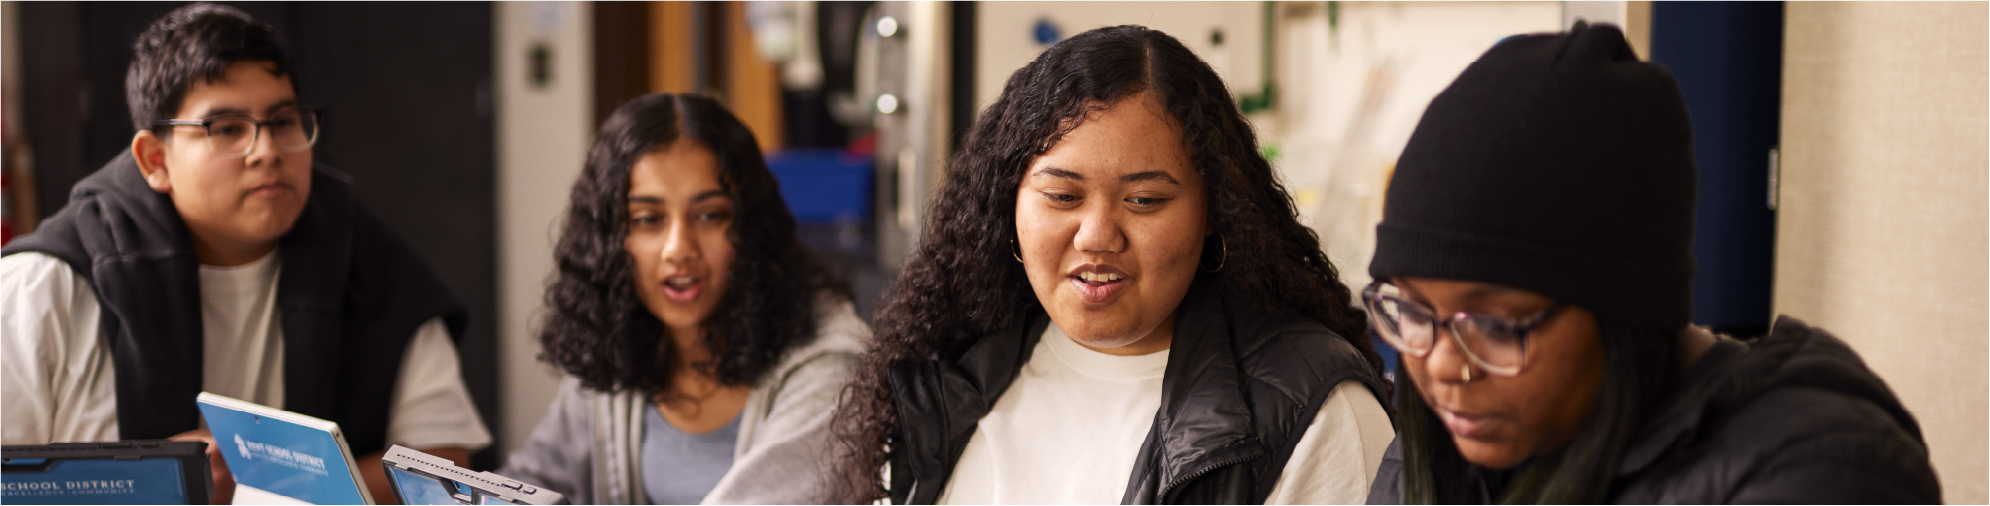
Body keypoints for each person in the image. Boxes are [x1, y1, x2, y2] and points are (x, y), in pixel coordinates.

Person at [1361, 23, 1940, 504]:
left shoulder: (1818, 475)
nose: (1440, 366)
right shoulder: (1443, 439)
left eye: (1492, 325)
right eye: (1412, 311)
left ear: (1623, 308)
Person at [829, 25, 1395, 505]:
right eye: (1062, 197)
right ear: (1008, 205)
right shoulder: (945, 373)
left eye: (1145, 201)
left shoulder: (1315, 411)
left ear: (1217, 213)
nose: (1097, 236)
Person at [0, 2, 491, 504]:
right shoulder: (41, 287)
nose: (267, 151)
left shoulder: (371, 264)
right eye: (226, 128)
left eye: (283, 121)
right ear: (154, 160)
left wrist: (269, 488)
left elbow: (445, 468)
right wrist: (149, 486)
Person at [496, 93, 869, 505]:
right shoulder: (616, 346)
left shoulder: (830, 367)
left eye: (710, 215)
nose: (679, 248)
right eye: (648, 220)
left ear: (750, 228)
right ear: (610, 241)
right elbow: (527, 482)